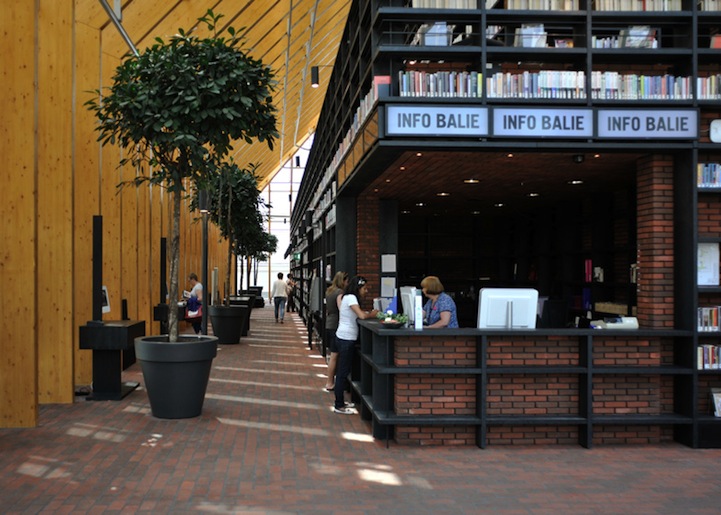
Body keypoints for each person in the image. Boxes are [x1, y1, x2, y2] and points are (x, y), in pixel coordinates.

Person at [333, 276, 379, 414]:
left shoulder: (347, 297)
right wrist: (373, 314)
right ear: (358, 288)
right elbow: (362, 316)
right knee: (342, 373)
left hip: (342, 336)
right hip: (346, 338)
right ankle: (339, 405)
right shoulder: (352, 298)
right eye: (364, 288)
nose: (366, 291)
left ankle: (340, 401)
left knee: (343, 371)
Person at [324, 271, 348, 391]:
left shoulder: (329, 291)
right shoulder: (339, 293)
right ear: (342, 281)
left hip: (329, 322)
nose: (347, 284)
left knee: (333, 354)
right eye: (346, 281)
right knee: (335, 355)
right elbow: (341, 308)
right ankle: (330, 382)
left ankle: (330, 381)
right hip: (336, 324)